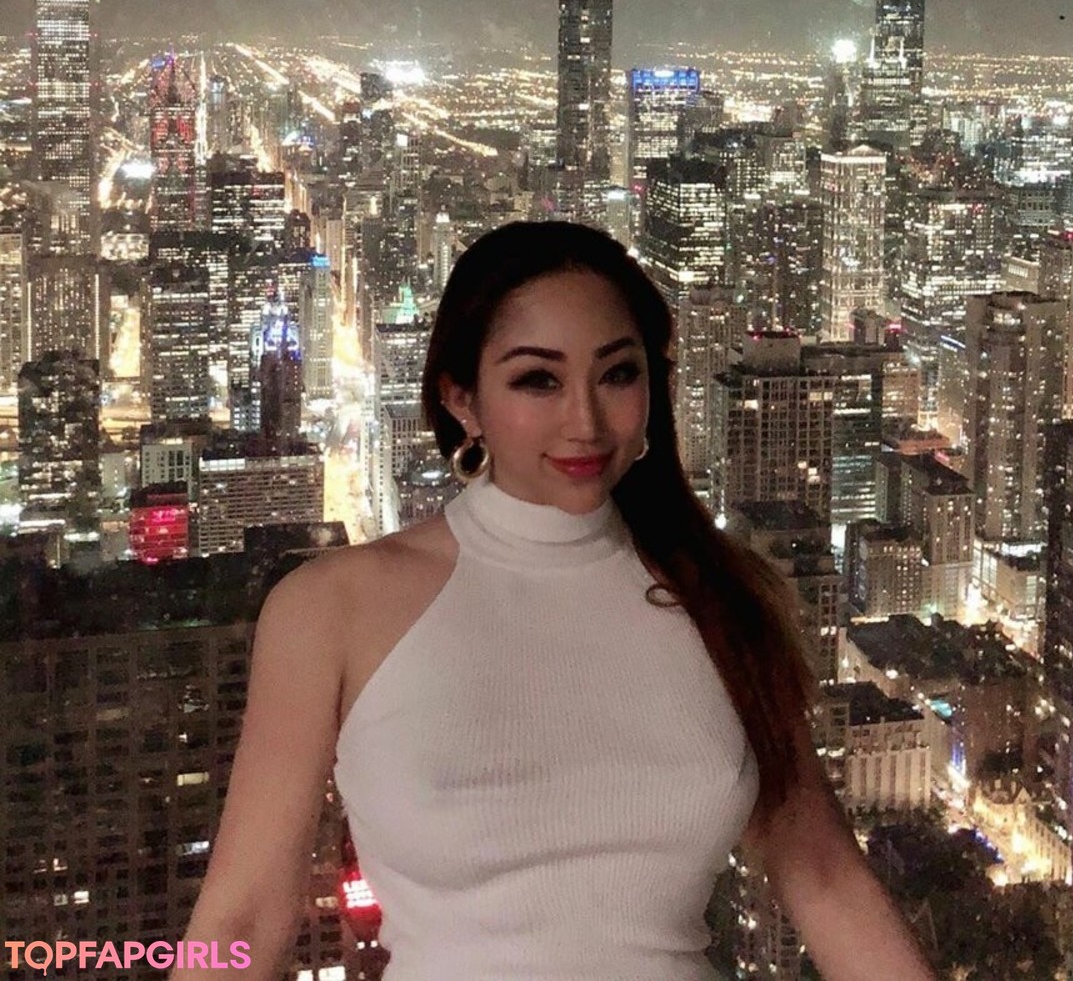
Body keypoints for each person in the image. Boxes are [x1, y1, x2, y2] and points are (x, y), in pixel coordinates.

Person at [175, 221, 937, 981]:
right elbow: (242, 919)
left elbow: (826, 881)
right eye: (538, 380)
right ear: (462, 400)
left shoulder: (721, 600)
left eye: (618, 374)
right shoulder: (329, 609)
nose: (585, 422)